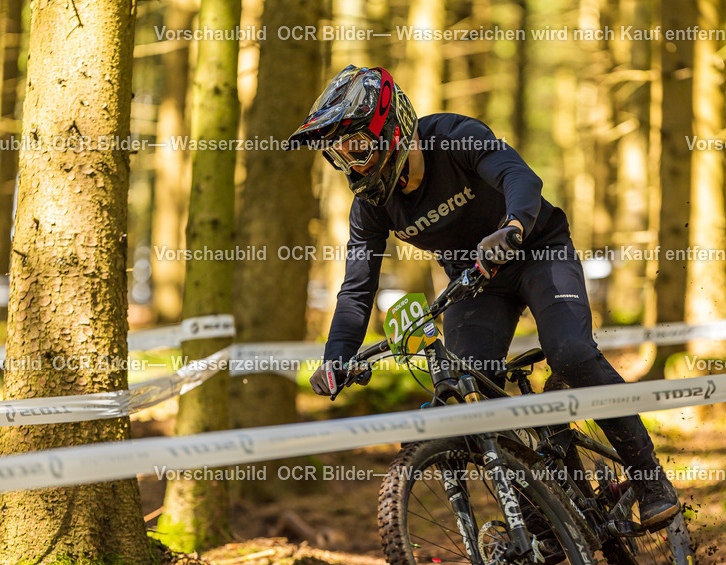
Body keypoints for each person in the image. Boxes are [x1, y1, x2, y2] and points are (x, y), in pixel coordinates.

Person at [287, 65, 679, 529]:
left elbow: (519, 176)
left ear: (389, 128)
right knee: (468, 396)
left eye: (358, 149)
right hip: (476, 284)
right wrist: (336, 358)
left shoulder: (453, 136)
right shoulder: (371, 206)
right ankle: (543, 513)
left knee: (571, 353)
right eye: (341, 155)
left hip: (537, 251)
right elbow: (357, 289)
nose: (353, 165)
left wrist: (512, 227)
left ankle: (650, 480)